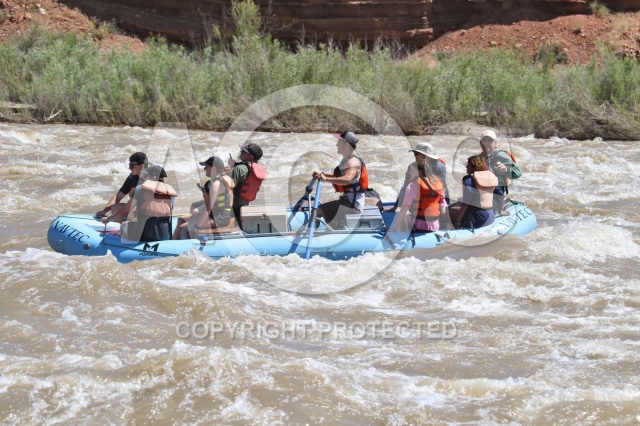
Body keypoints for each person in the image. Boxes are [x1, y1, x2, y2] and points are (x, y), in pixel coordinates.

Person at [312, 131, 369, 229]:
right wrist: (323, 174)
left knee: (318, 211)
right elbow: (338, 175)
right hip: (348, 202)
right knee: (328, 216)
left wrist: (326, 179)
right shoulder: (348, 160)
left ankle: (312, 235)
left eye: (339, 142)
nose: (336, 145)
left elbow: (347, 179)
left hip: (352, 206)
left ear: (346, 145)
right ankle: (333, 231)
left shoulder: (353, 162)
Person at [172, 156, 235, 240]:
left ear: (213, 168)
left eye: (206, 166)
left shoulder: (216, 184)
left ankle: (181, 245)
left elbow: (209, 209)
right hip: (214, 214)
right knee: (181, 220)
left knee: (183, 227)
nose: (204, 169)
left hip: (221, 217)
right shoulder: (214, 182)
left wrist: (198, 226)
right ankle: (172, 242)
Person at [120, 165, 178, 242]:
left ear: (154, 177)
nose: (143, 178)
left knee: (123, 225)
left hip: (146, 235)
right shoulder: (170, 192)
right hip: (164, 234)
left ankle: (127, 246)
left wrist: (108, 219)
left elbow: (125, 211)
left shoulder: (140, 189)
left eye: (146, 176)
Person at [387, 159, 447, 233]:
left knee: (403, 213)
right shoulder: (438, 185)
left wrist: (394, 227)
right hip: (434, 226)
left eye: (412, 171)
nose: (410, 173)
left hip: (417, 226)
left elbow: (404, 209)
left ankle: (399, 233)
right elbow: (442, 210)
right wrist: (443, 225)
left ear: (419, 172)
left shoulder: (412, 186)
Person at [386, 142, 448, 212]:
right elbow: (406, 187)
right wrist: (395, 206)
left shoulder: (440, 167)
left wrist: (446, 207)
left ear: (426, 155)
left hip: (433, 204)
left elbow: (443, 188)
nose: (414, 155)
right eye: (414, 153)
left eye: (417, 153)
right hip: (419, 203)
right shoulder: (413, 167)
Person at [479, 130, 522, 215]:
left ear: (495, 142)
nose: (487, 143)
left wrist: (506, 170)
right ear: (481, 143)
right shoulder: (480, 157)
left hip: (497, 194)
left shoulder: (500, 155)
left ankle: (504, 205)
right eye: (484, 140)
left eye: (490, 140)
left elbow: (518, 172)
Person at [449, 155, 498, 230]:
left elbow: (465, 203)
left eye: (468, 165)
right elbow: (500, 194)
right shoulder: (490, 178)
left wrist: (457, 221)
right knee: (456, 205)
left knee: (449, 209)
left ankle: (452, 230)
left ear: (474, 167)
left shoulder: (468, 181)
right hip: (490, 215)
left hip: (478, 218)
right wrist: (501, 211)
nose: (466, 167)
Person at [96, 152, 148, 221]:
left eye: (132, 166)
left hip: (148, 211)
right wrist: (104, 212)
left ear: (141, 166)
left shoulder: (152, 177)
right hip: (136, 208)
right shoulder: (132, 177)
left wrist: (109, 219)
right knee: (115, 207)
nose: (129, 168)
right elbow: (118, 196)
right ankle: (124, 224)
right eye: (129, 165)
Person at [228, 143, 266, 229]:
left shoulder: (238, 169)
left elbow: (228, 187)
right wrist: (234, 165)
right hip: (244, 204)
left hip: (233, 204)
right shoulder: (256, 169)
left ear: (250, 157)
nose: (241, 152)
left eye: (244, 151)